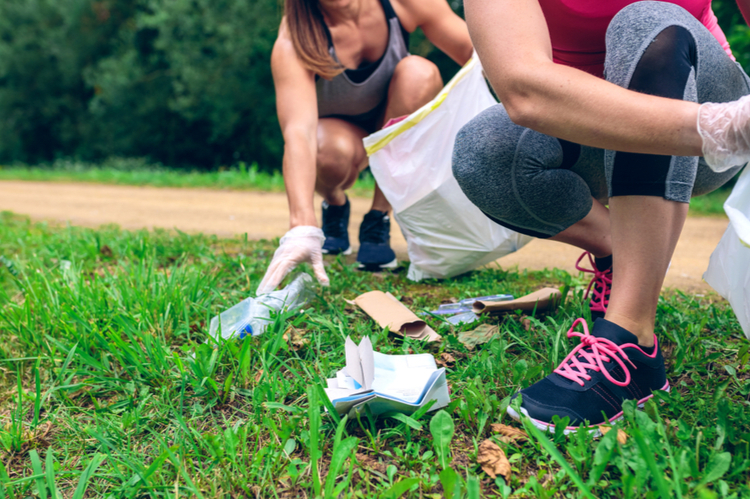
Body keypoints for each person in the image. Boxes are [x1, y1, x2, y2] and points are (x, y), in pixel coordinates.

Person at [452, 0, 750, 431]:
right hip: (665, 125)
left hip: (702, 99)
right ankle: (619, 249)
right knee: (486, 152)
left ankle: (631, 335)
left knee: (646, 19)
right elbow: (523, 88)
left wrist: (730, 124)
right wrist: (713, 126)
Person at [256, 0, 473, 294]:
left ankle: (377, 219)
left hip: (395, 121)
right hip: (338, 134)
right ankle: (334, 204)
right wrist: (301, 227)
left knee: (420, 73)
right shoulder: (295, 40)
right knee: (326, 151)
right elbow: (299, 132)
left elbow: (481, 59)